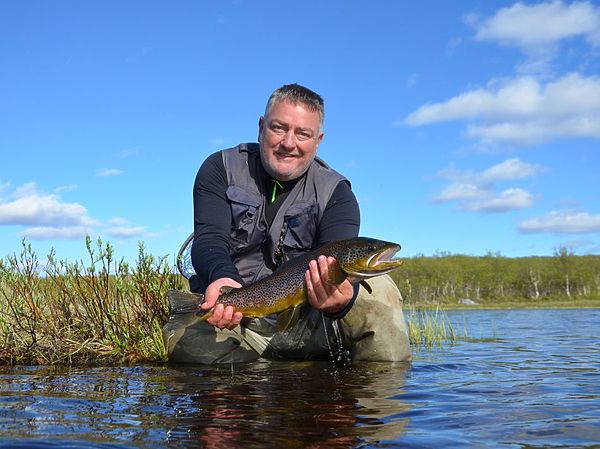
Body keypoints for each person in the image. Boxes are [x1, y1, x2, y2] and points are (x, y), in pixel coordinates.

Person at [163, 83, 411, 364]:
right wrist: (221, 278)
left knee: (379, 289)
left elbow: (338, 253)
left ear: (318, 140)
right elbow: (208, 238)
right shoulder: (220, 168)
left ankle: (378, 397)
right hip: (237, 320)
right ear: (261, 126)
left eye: (303, 134)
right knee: (188, 343)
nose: (288, 143)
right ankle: (259, 391)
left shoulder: (337, 194)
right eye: (279, 128)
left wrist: (341, 302)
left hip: (311, 322)